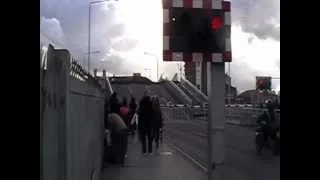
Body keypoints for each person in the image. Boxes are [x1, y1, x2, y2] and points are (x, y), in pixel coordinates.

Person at [107, 96, 128, 165]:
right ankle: (121, 160)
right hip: (125, 129)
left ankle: (116, 159)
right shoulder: (115, 115)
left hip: (119, 131)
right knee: (122, 145)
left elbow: (110, 127)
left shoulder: (110, 116)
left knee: (116, 144)